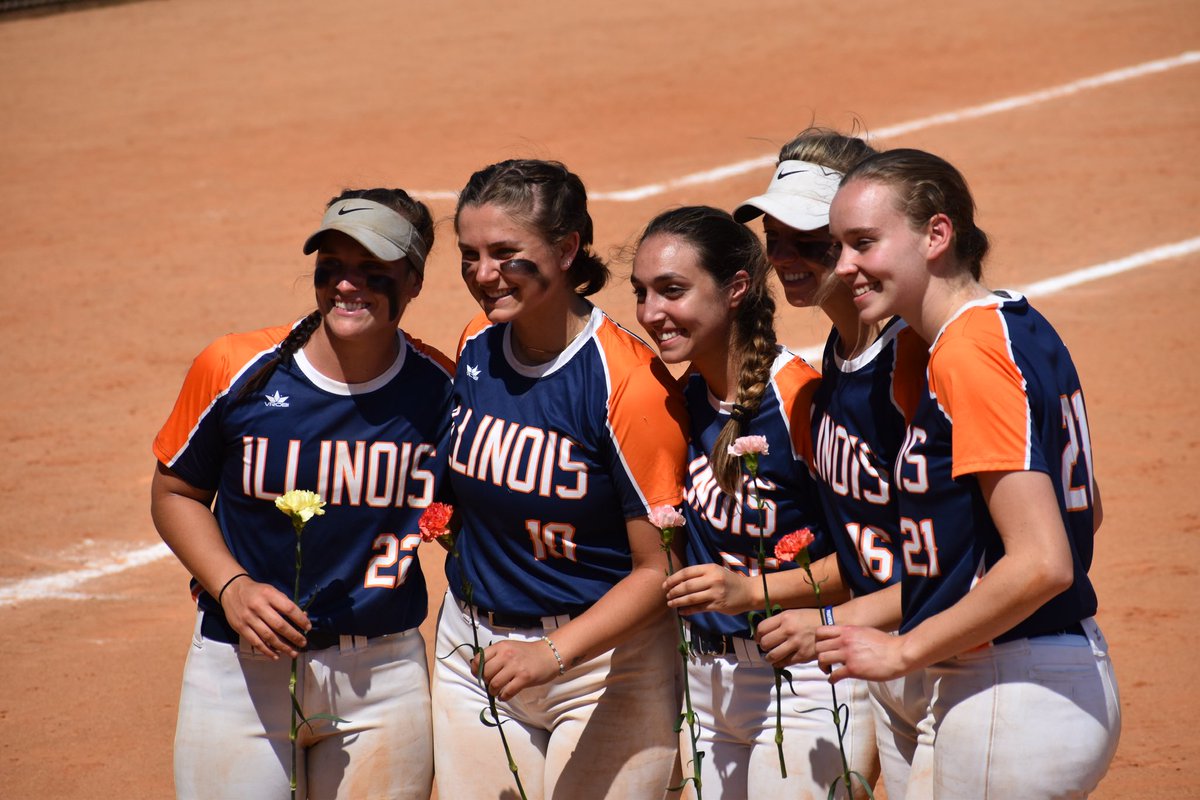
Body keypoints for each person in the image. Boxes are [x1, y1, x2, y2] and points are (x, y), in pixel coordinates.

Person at [814, 148, 1121, 797]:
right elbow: (1084, 508)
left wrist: (902, 650)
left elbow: (1043, 562)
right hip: (1037, 675)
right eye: (839, 245)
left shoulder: (968, 354)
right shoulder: (1017, 326)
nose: (844, 266)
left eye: (863, 243)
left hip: (1010, 690)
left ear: (937, 234)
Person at [151, 188, 451, 799]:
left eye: (373, 271)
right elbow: (176, 492)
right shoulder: (239, 368)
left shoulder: (440, 391)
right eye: (332, 267)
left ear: (414, 281)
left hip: (382, 674)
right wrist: (231, 588)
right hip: (238, 669)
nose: (347, 285)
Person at [430, 158, 689, 799]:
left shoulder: (628, 383)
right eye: (469, 255)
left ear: (569, 247)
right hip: (475, 654)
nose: (483, 275)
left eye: (505, 253)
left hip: (606, 667)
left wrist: (551, 653)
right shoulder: (476, 345)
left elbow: (659, 570)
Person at [632, 205, 877, 799]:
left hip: (811, 678)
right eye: (641, 293)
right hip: (704, 681)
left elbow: (872, 561)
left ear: (737, 288)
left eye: (673, 290)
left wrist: (753, 592)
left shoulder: (803, 401)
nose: (651, 313)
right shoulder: (672, 400)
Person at [735, 129, 926, 796]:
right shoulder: (839, 360)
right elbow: (866, 547)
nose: (784, 257)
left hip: (953, 656)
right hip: (889, 657)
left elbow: (974, 557)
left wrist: (830, 622)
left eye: (808, 241)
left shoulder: (914, 362)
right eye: (775, 238)